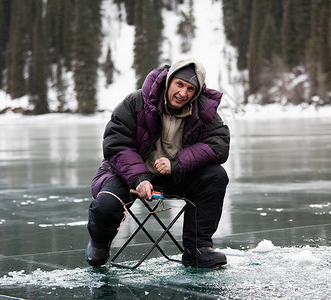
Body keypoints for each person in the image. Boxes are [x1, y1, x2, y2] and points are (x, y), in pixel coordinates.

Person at [86, 58, 230, 268]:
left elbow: (219, 144)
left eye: (190, 89)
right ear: (169, 81)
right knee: (105, 205)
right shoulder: (136, 102)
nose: (183, 93)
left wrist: (177, 163)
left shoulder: (204, 110)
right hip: (128, 175)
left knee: (216, 176)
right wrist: (139, 179)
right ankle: (99, 243)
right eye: (179, 84)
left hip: (175, 176)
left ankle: (197, 249)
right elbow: (116, 145)